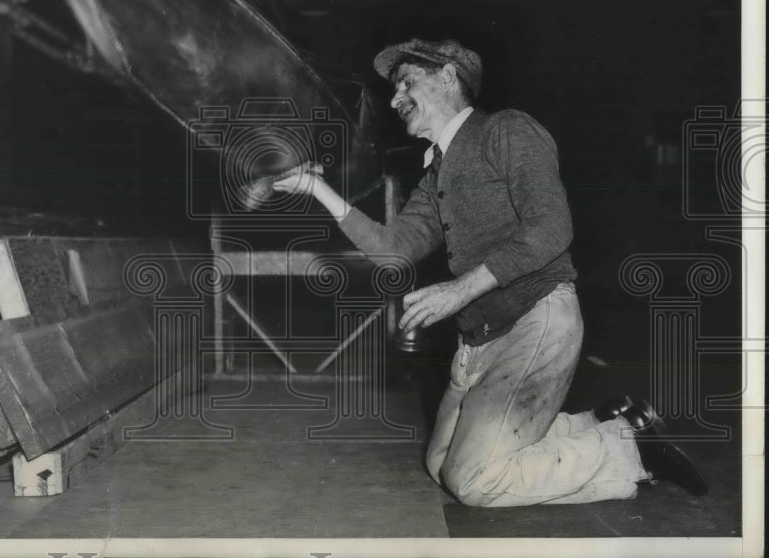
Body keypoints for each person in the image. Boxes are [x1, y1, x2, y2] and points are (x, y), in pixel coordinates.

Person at [273, 37, 707, 506]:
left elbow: (551, 227)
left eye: (406, 82)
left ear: (448, 76)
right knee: (441, 466)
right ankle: (598, 425)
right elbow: (394, 251)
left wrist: (459, 292)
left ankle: (631, 451)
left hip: (536, 318)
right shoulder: (437, 174)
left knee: (475, 481)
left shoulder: (507, 131)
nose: (395, 99)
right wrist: (316, 189)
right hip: (481, 339)